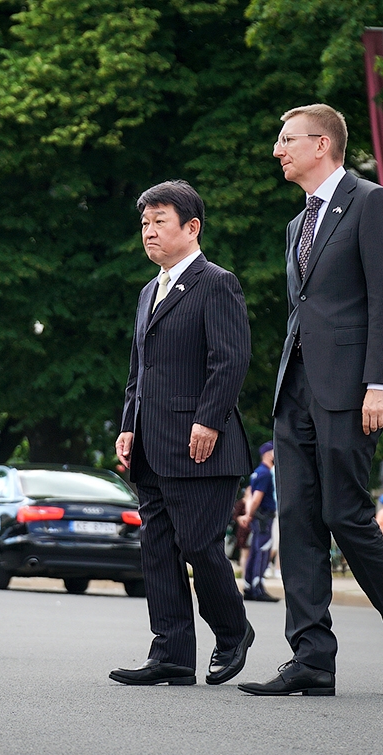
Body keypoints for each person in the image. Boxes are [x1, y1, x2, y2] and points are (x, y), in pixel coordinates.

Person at [239, 103, 383, 697]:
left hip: (350, 389)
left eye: (287, 139)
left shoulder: (370, 202)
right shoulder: (298, 224)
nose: (277, 150)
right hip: (296, 388)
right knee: (295, 520)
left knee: (344, 514)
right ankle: (312, 658)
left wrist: (380, 382)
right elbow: (304, 311)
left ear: (323, 144)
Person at [111, 180, 255, 688]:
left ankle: (234, 631)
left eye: (160, 222)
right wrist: (127, 426)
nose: (149, 232)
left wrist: (209, 419)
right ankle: (171, 654)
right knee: (157, 549)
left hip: (202, 445)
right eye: (144, 224)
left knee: (198, 544)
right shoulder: (150, 289)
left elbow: (230, 358)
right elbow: (139, 370)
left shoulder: (217, 282)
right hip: (151, 444)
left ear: (191, 228)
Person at [239, 443, 279, 603]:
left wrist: (248, 514)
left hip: (258, 516)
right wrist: (249, 514)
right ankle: (257, 588)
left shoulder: (257, 473)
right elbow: (257, 497)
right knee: (262, 551)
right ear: (268, 454)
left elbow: (250, 496)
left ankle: (249, 587)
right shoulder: (265, 474)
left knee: (256, 550)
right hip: (264, 517)